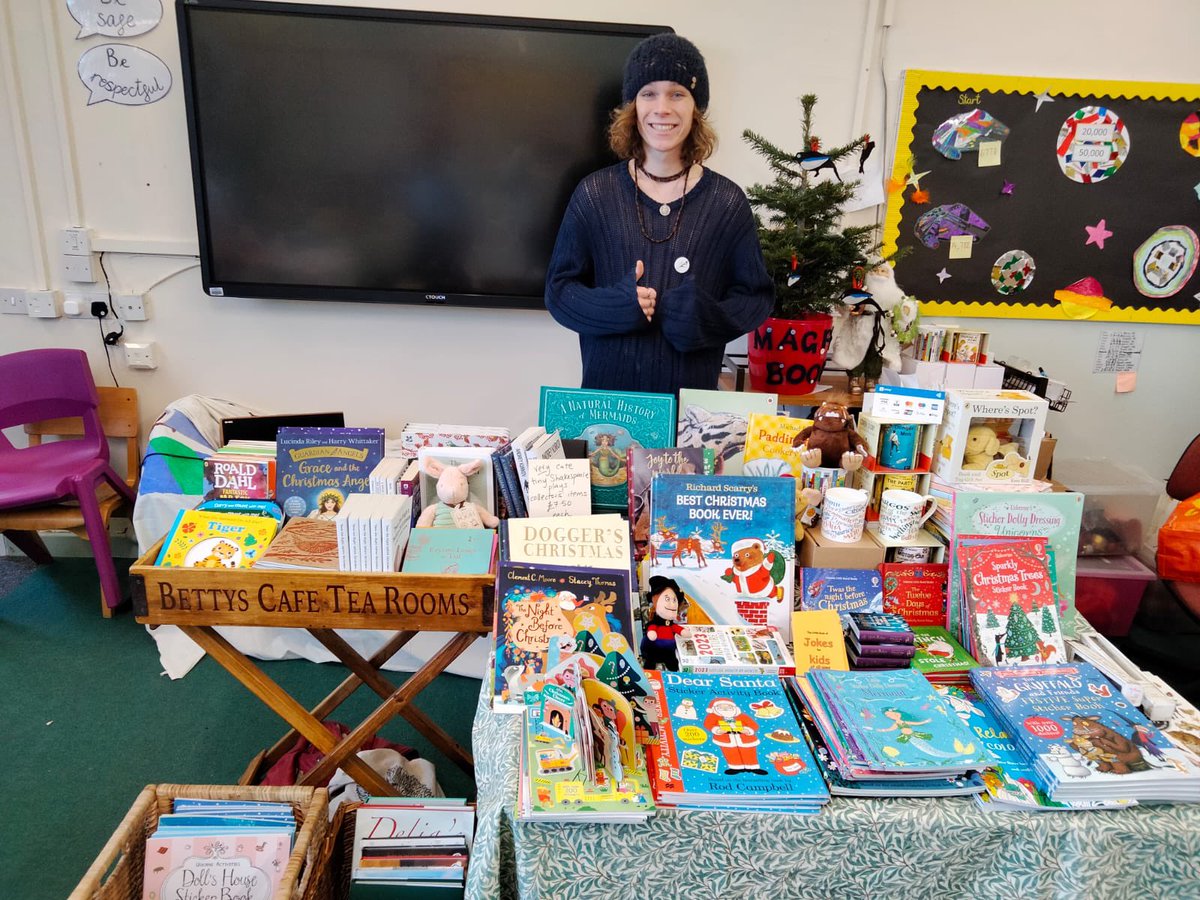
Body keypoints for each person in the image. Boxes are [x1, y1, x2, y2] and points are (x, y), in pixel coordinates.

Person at [545, 33, 773, 395]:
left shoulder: (726, 202)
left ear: (696, 108)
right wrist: (615, 306)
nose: (662, 108)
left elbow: (756, 298)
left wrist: (704, 316)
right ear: (632, 106)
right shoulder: (594, 194)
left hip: (691, 419)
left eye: (677, 93)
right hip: (607, 413)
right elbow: (559, 293)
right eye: (648, 93)